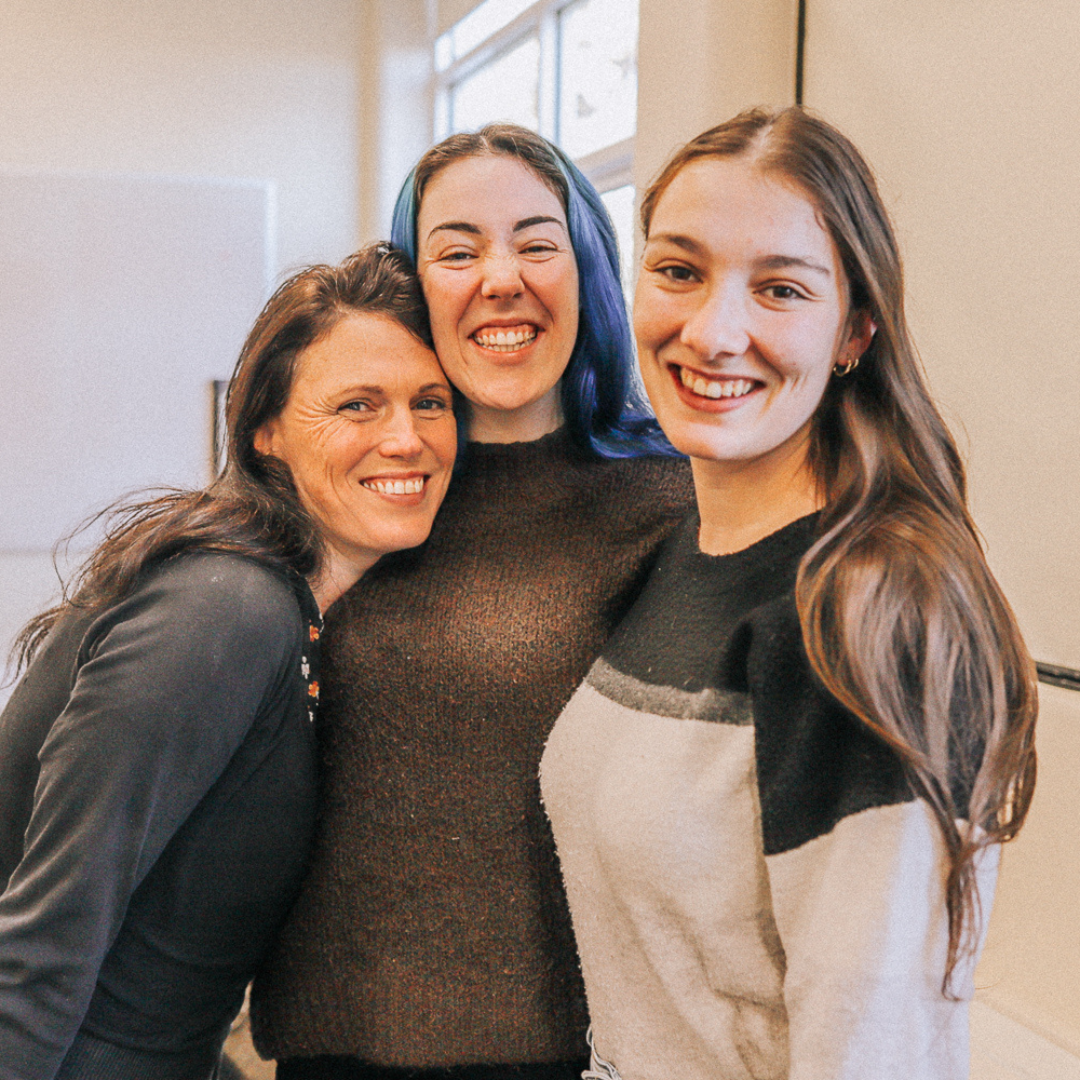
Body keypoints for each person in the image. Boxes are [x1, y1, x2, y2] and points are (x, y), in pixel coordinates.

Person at [540, 107, 1038, 1080]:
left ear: (854, 330)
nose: (713, 332)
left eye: (780, 289)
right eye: (678, 271)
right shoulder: (682, 555)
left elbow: (874, 1049)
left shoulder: (870, 611)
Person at [251, 125, 694, 1079]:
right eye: (458, 251)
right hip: (325, 1043)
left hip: (557, 1052)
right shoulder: (361, 482)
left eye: (537, 243)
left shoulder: (673, 502)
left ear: (588, 269)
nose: (501, 278)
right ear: (414, 285)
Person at [0, 243, 456, 1080]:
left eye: (430, 402)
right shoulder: (226, 608)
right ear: (265, 433)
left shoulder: (288, 609)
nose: (406, 438)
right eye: (358, 405)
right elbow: (39, 952)